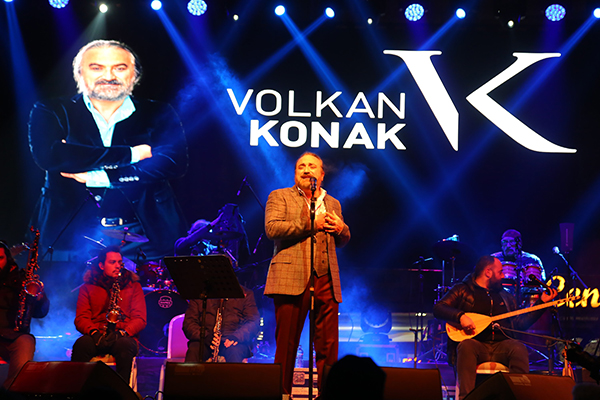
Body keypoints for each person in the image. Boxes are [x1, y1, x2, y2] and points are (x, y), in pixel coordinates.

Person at [28, 39, 188, 262]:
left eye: (120, 68)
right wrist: (132, 154)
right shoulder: (50, 110)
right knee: (62, 286)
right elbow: (50, 156)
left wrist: (101, 175)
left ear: (135, 75)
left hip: (146, 233)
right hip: (67, 233)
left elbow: (173, 162)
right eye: (97, 68)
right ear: (79, 74)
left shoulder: (159, 111)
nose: (109, 76)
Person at [264, 152, 351, 395]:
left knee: (328, 346)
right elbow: (273, 229)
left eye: (312, 166)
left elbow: (343, 239)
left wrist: (342, 228)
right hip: (290, 277)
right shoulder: (280, 196)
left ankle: (328, 394)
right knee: (287, 343)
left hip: (326, 279)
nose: (306, 170)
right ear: (295, 173)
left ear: (321, 175)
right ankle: (282, 393)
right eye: (301, 166)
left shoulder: (333, 203)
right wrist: (314, 223)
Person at [433, 255, 558, 400]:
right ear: (488, 272)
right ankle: (466, 398)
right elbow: (439, 308)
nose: (503, 276)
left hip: (501, 346)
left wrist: (541, 303)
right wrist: (460, 316)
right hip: (475, 346)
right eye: (500, 272)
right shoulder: (462, 290)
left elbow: (519, 324)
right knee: (466, 346)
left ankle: (518, 395)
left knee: (518, 348)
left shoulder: (506, 296)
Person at [71, 245, 146, 380]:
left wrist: (122, 333)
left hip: (122, 335)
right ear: (101, 265)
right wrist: (94, 333)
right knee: (81, 345)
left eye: (119, 262)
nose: (117, 266)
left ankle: (121, 390)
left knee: (124, 346)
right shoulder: (88, 287)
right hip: (97, 334)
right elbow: (81, 318)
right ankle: (77, 388)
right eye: (112, 262)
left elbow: (140, 318)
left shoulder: (133, 286)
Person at [0, 241, 49, 389]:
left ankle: (13, 392)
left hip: (14, 336)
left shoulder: (21, 279)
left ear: (8, 259)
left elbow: (40, 313)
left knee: (26, 342)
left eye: (0, 258)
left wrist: (39, 299)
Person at [182, 285, 260, 362]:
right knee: (194, 351)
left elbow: (254, 322)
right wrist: (204, 336)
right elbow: (189, 323)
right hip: (206, 339)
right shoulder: (200, 294)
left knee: (234, 353)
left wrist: (236, 336)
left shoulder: (245, 294)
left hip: (233, 340)